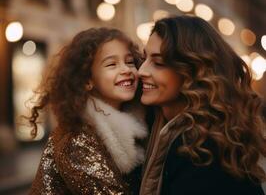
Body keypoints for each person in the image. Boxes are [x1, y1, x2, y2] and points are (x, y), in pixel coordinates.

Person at [138, 15, 266, 195]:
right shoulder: (157, 127)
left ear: (192, 71)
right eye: (145, 59)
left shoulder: (204, 150)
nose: (141, 71)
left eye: (158, 63)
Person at [27, 27, 148, 194]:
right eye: (111, 64)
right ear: (87, 80)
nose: (126, 70)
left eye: (129, 62)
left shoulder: (141, 123)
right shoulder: (76, 139)